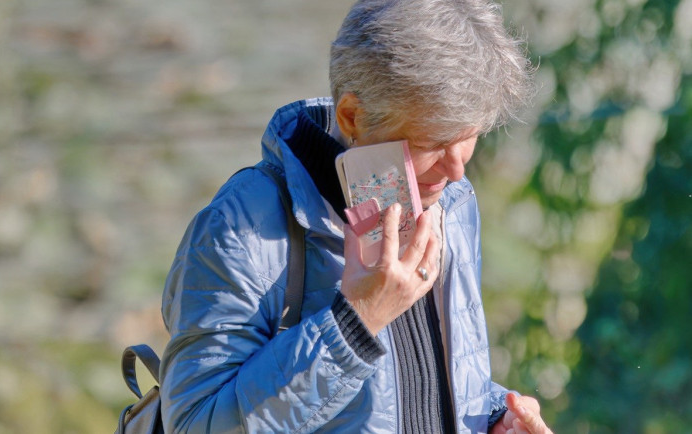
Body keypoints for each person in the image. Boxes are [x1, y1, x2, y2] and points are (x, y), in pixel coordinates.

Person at [159, 0, 553, 432]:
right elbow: (196, 424)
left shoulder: (452, 201)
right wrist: (356, 322)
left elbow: (418, 389)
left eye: (472, 134)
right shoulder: (240, 228)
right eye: (436, 139)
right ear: (352, 115)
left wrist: (495, 417)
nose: (458, 168)